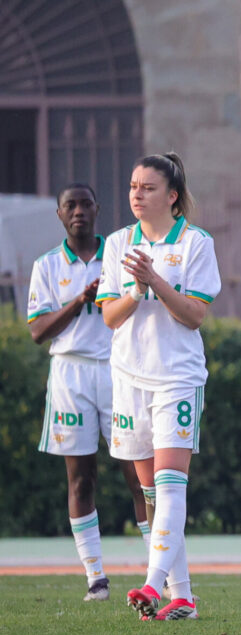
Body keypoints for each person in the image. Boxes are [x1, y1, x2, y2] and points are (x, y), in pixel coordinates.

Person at [96, 152, 221, 621]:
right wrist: (135, 289)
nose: (136, 194)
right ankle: (182, 596)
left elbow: (194, 316)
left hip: (177, 377)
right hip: (129, 377)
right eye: (132, 186)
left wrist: (157, 283)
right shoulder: (116, 244)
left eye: (147, 188)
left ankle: (152, 584)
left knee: (171, 486)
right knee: (150, 495)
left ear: (171, 196)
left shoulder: (195, 243)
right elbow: (109, 317)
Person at [26, 183, 148, 602]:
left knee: (138, 474)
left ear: (98, 209)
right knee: (81, 479)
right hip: (70, 375)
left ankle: (159, 571)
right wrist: (80, 299)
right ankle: (96, 577)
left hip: (117, 370)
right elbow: (39, 332)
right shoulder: (45, 266)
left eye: (85, 204)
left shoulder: (117, 255)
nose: (78, 211)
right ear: (60, 215)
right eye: (70, 205)